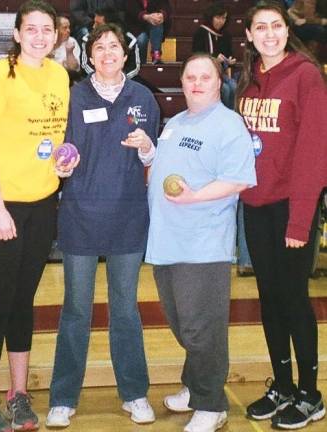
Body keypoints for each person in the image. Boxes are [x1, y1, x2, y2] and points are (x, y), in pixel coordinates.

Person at [46, 23, 160, 429]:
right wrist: (63, 160)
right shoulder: (75, 96)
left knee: (125, 310)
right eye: (100, 47)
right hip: (80, 216)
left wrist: (148, 148)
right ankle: (62, 398)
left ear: (125, 55)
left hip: (128, 218)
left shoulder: (143, 97)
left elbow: (153, 160)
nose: (108, 52)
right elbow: (63, 147)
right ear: (90, 55)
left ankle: (134, 393)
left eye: (114, 46)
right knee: (76, 310)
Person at [0, 1, 74, 431]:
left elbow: (54, 138)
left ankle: (18, 394)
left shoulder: (60, 75)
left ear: (56, 34)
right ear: (16, 34)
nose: (39, 36)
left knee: (25, 302)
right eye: (31, 29)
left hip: (42, 204)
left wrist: (62, 167)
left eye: (46, 29)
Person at [145, 53, 256, 432]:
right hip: (166, 240)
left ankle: (212, 404)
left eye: (204, 76)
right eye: (190, 76)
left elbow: (239, 179)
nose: (195, 82)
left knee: (200, 327)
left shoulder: (229, 124)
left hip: (202, 243)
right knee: (181, 322)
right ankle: (194, 387)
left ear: (218, 80)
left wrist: (193, 198)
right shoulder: (175, 122)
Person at [236, 1, 327, 429]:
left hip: (294, 207)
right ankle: (283, 386)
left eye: (277, 26)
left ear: (286, 31)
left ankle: (311, 394)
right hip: (256, 207)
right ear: (250, 36)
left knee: (294, 300)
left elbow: (314, 155)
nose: (269, 33)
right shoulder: (249, 80)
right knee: (270, 300)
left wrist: (300, 221)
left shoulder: (306, 76)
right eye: (261, 27)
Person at [192, 2, 237, 109]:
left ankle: (231, 115)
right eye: (218, 18)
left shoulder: (226, 35)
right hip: (204, 74)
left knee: (234, 87)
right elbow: (196, 56)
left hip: (220, 73)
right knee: (225, 90)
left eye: (224, 18)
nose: (221, 21)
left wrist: (230, 60)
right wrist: (213, 59)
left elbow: (229, 54)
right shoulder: (201, 33)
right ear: (211, 17)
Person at [81, 7, 141, 79]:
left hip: (126, 81)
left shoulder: (130, 40)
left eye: (98, 24)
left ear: (110, 25)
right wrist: (102, 79)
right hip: (94, 81)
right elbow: (85, 65)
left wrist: (119, 79)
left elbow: (134, 68)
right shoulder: (87, 39)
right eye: (94, 22)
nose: (93, 26)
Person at [125, 0, 171, 64]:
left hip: (153, 22)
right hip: (135, 25)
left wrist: (161, 15)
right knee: (142, 39)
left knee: (157, 23)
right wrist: (145, 17)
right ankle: (141, 63)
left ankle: (156, 55)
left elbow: (166, 6)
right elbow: (130, 9)